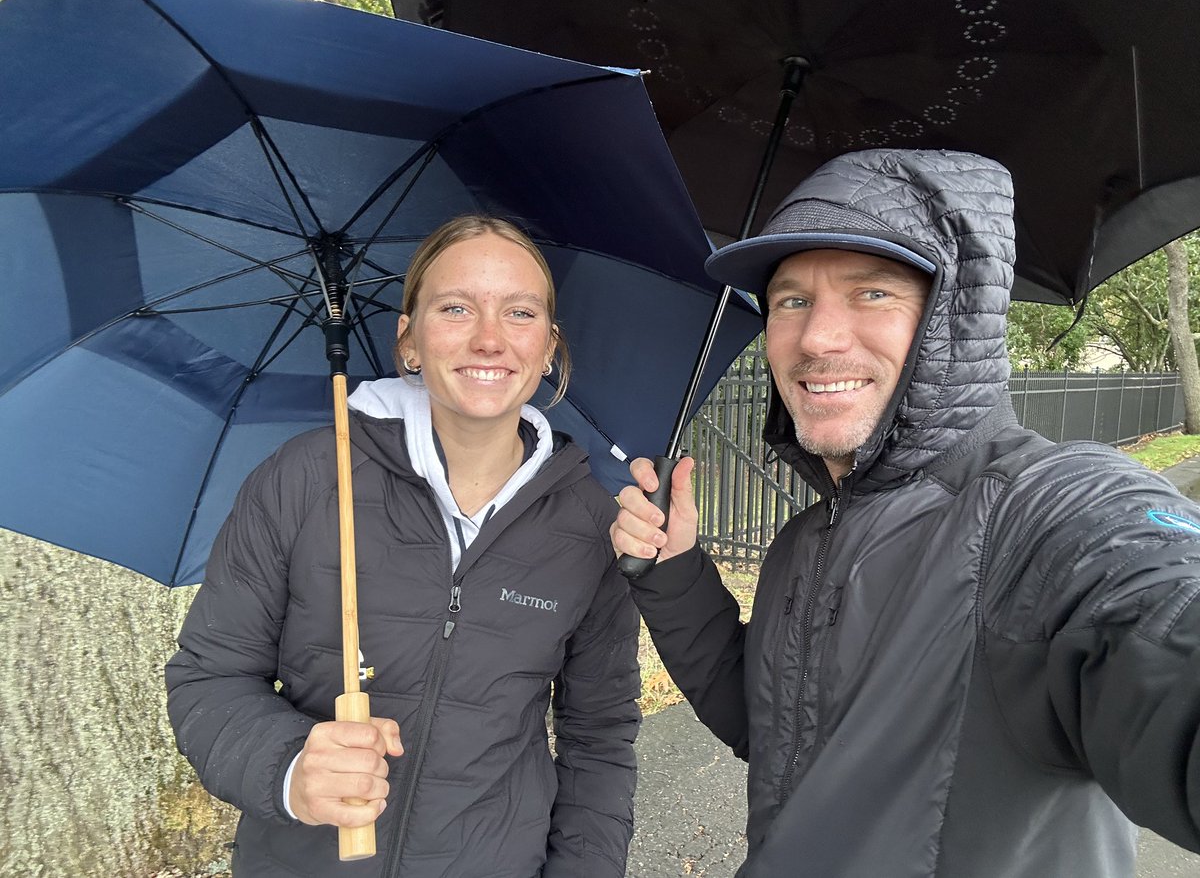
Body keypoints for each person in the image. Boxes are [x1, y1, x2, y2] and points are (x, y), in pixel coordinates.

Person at [611, 148, 1200, 876]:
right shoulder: (807, 538)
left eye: (873, 293)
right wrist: (673, 573)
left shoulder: (1043, 510)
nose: (818, 338)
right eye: (792, 299)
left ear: (954, 317)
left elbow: (1158, 614)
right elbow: (773, 730)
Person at [167, 215, 641, 877]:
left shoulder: (591, 524)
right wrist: (290, 766)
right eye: (455, 308)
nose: (489, 338)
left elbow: (601, 739)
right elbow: (208, 678)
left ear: (549, 346)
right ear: (409, 340)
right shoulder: (304, 479)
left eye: (520, 312)